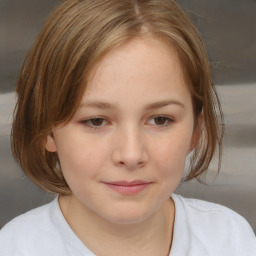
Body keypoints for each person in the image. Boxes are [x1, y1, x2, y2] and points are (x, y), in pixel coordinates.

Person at [0, 0, 255, 255]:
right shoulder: (13, 248)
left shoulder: (230, 239)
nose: (131, 155)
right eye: (96, 121)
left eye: (160, 120)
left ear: (196, 131)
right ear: (47, 128)